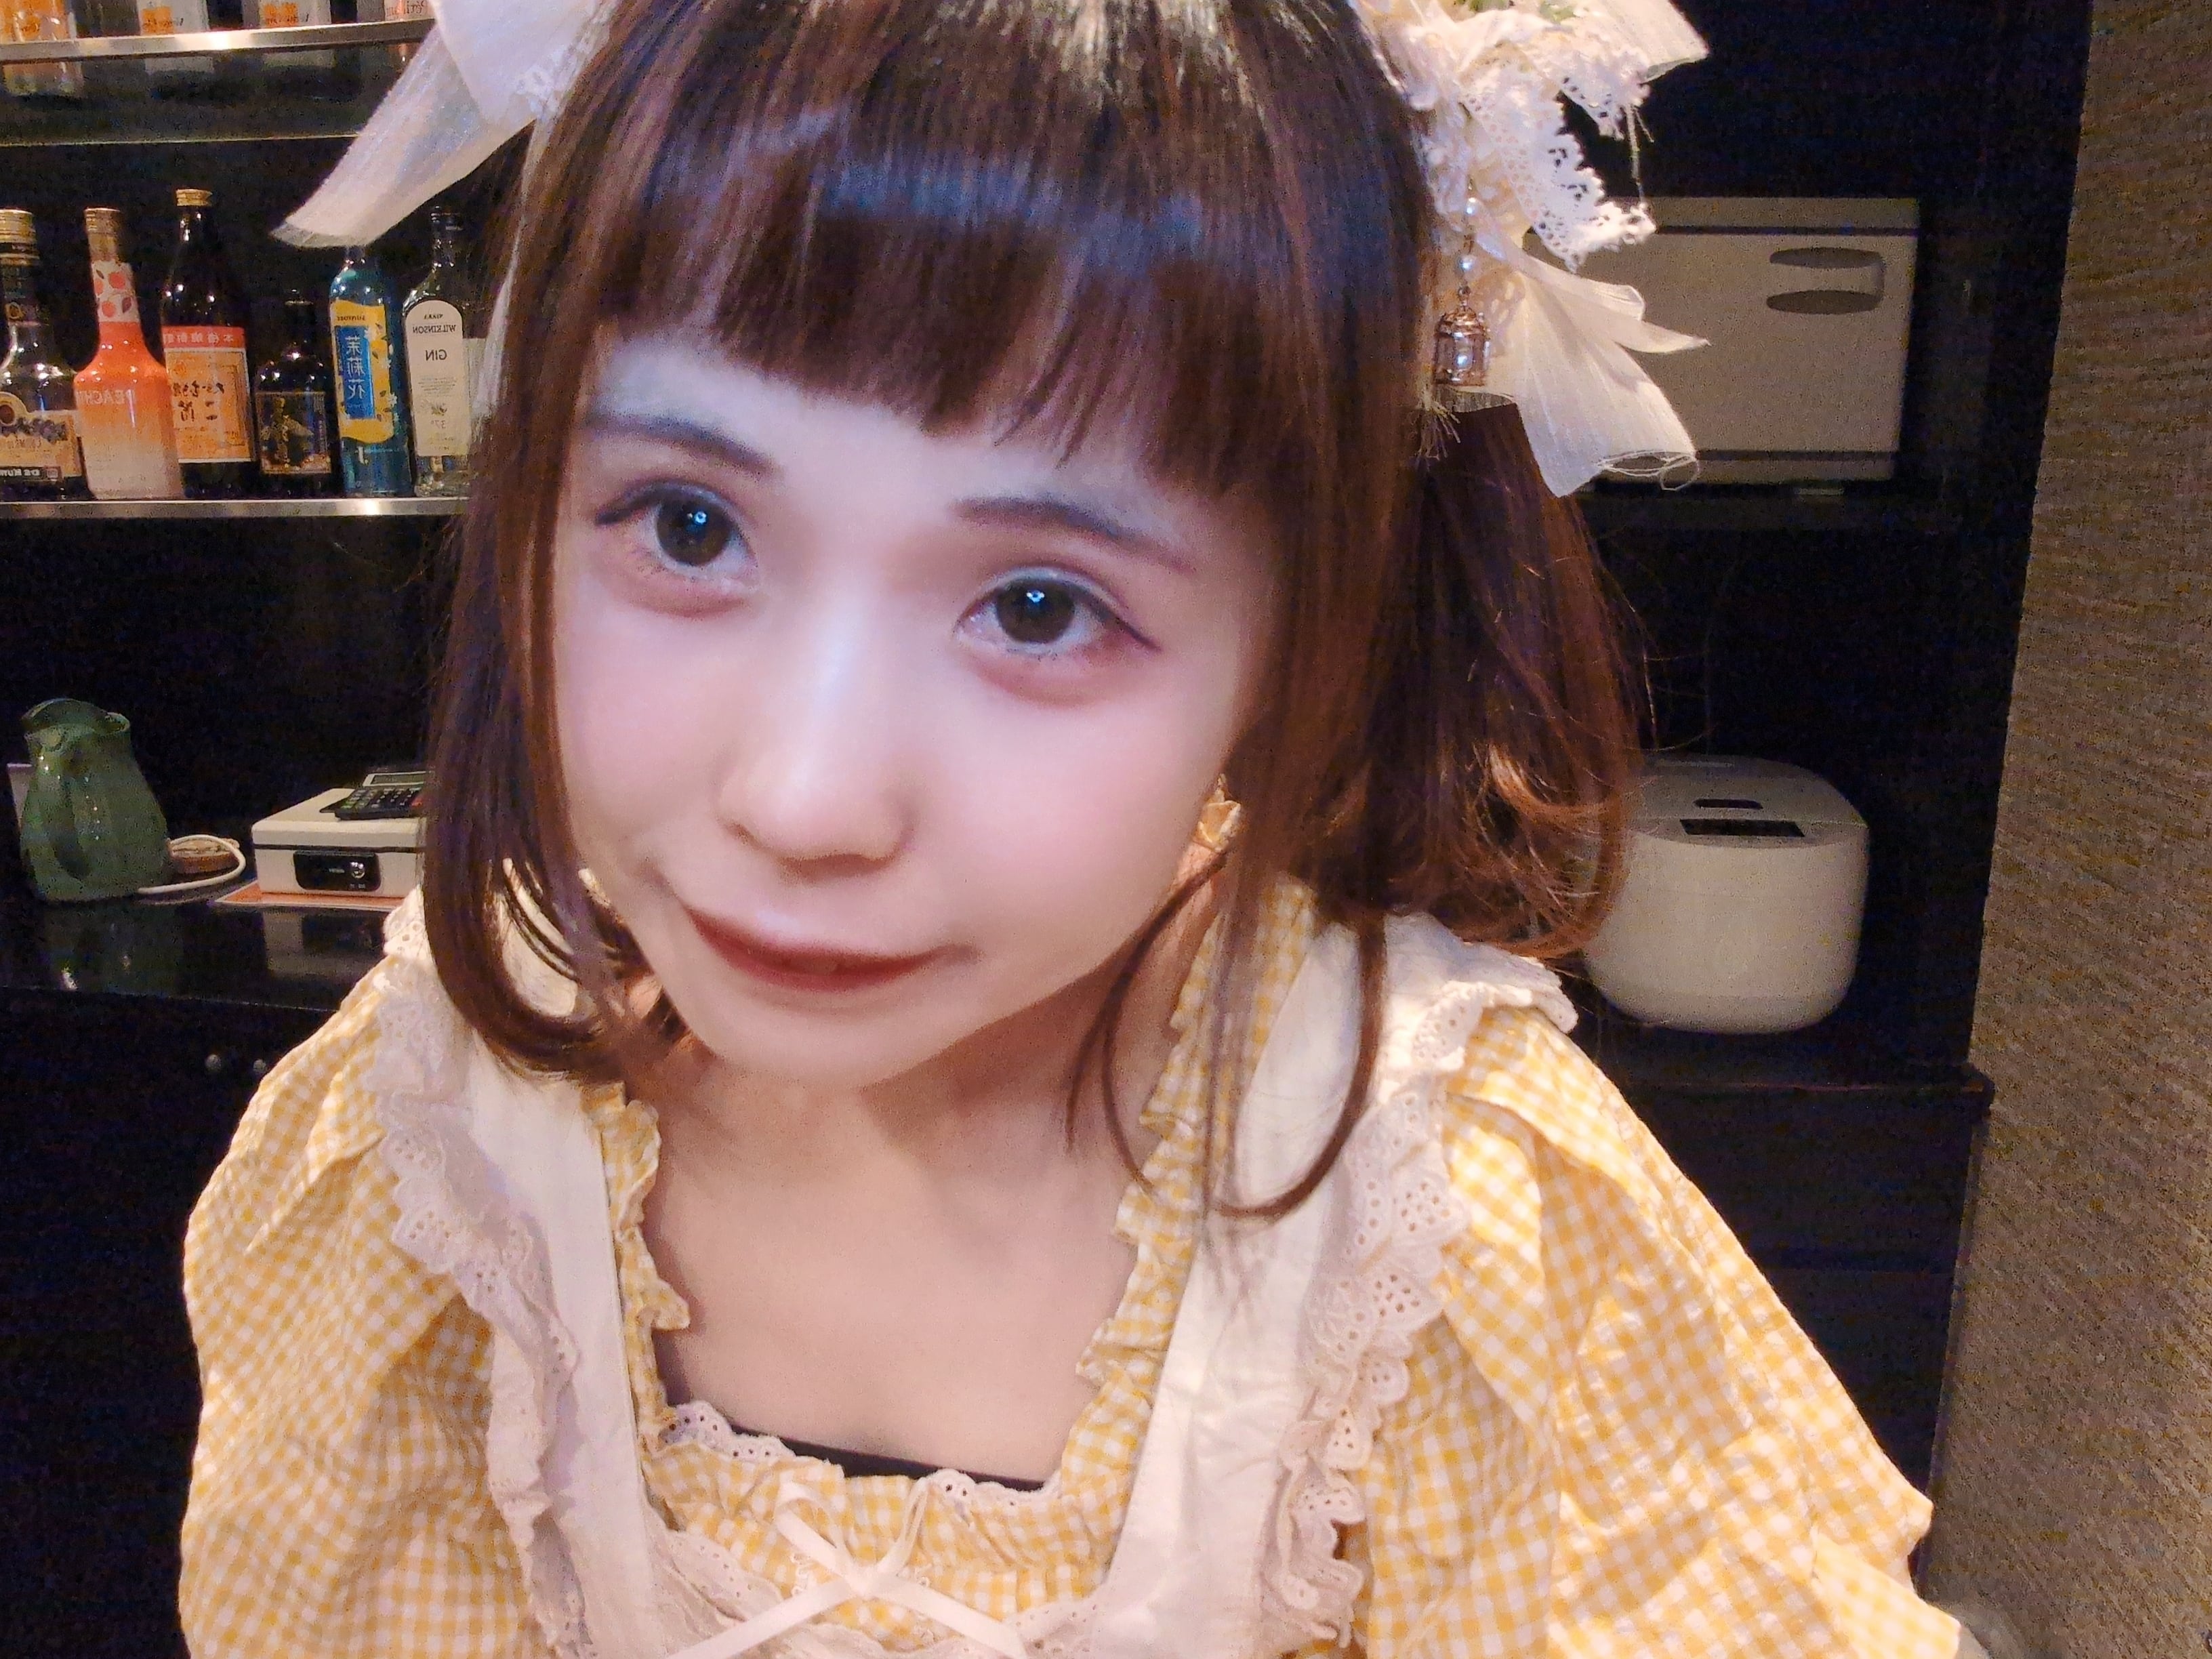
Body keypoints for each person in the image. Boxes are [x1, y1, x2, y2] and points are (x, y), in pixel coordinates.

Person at [180, 1, 1984, 1655]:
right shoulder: (446, 1135)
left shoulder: (1432, 1214)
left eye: (1038, 608)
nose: (804, 799)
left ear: (1303, 640)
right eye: (688, 525)